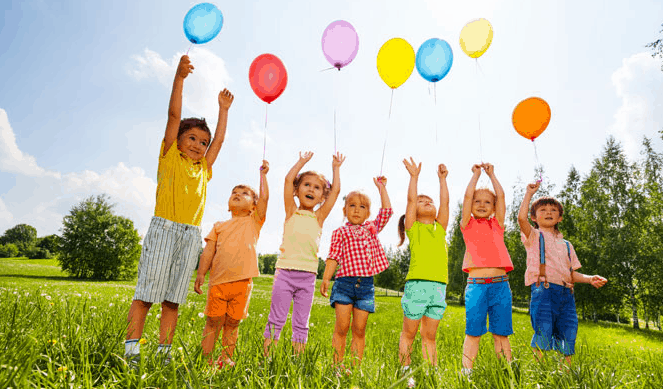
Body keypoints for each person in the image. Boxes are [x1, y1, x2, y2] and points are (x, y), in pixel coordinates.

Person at [124, 54, 234, 366]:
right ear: (179, 140)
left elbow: (221, 142)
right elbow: (173, 117)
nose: (199, 145)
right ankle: (131, 352)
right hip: (164, 229)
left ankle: (163, 354)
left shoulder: (205, 169)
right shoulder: (170, 156)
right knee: (146, 295)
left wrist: (222, 111)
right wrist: (179, 79)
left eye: (203, 141)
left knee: (172, 300)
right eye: (193, 138)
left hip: (190, 237)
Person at [263, 151, 345, 357]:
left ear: (321, 197)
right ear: (297, 191)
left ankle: (297, 360)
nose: (311, 189)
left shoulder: (319, 216)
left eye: (317, 187)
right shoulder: (291, 210)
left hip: (307, 277)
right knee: (276, 318)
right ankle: (267, 358)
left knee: (301, 322)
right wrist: (302, 162)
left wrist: (335, 168)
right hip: (284, 273)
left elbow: (335, 192)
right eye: (306, 185)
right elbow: (288, 180)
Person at [518, 181, 607, 366]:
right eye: (542, 210)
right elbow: (521, 219)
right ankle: (539, 373)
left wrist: (590, 279)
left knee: (568, 333)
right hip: (544, 291)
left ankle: (564, 375)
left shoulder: (567, 245)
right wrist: (529, 193)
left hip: (567, 294)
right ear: (534, 217)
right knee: (543, 331)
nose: (548, 212)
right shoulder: (534, 237)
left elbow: (571, 274)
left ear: (560, 217)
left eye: (553, 210)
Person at [194, 160, 269, 369]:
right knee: (212, 322)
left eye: (244, 193)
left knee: (232, 323)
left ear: (253, 206)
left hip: (242, 283)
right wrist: (201, 274)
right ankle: (206, 358)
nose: (237, 194)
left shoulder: (255, 221)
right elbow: (208, 252)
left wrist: (263, 176)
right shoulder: (219, 226)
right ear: (228, 204)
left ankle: (225, 357)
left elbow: (264, 198)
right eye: (234, 192)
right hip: (218, 282)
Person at [320, 177, 393, 373]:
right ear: (344, 210)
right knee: (342, 327)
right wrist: (327, 278)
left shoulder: (371, 229)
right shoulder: (340, 232)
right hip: (344, 284)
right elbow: (333, 256)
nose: (356, 210)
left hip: (366, 287)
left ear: (368, 213)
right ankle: (337, 366)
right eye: (351, 205)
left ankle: (354, 368)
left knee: (359, 329)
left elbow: (387, 211)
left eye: (362, 207)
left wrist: (382, 188)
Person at [397, 158, 449, 387]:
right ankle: (405, 370)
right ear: (413, 212)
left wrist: (442, 180)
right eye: (422, 201)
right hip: (417, 285)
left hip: (439, 287)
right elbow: (410, 199)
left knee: (430, 336)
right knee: (409, 333)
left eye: (430, 200)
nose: (427, 201)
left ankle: (431, 372)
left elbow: (445, 204)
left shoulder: (440, 229)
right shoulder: (414, 228)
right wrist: (414, 177)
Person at [460, 163, 514, 377]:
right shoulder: (467, 224)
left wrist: (492, 175)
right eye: (477, 201)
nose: (482, 205)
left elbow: (501, 196)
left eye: (487, 202)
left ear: (493, 207)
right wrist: (475, 175)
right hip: (476, 287)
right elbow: (465, 197)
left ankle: (507, 372)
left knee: (501, 333)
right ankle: (466, 373)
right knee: (473, 332)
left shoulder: (497, 224)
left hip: (501, 286)